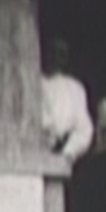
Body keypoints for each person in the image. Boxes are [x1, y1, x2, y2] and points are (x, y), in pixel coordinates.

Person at [41, 37, 95, 165]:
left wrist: (68, 153)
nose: (57, 57)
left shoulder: (75, 88)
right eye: (53, 52)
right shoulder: (32, 82)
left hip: (62, 157)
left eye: (62, 54)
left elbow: (84, 129)